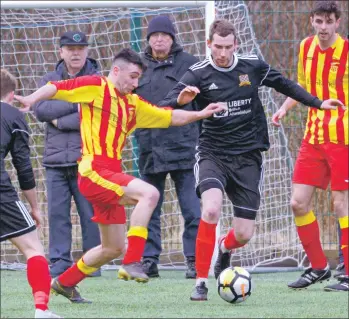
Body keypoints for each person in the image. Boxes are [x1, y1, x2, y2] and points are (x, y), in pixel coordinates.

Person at [14, 48, 227, 304]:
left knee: (111, 247)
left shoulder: (132, 104)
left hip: (110, 172)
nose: (136, 84)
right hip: (93, 170)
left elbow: (170, 116)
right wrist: (31, 98)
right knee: (150, 193)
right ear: (116, 71)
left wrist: (201, 114)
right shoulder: (96, 86)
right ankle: (133, 261)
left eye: (139, 79)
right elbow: (56, 87)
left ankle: (64, 282)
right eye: (133, 77)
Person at [159, 19, 345, 301]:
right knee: (210, 210)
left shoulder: (252, 66)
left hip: (247, 158)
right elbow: (166, 105)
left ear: (236, 45)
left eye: (227, 47)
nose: (222, 53)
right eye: (217, 47)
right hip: (213, 154)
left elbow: (285, 85)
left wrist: (318, 103)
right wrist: (182, 101)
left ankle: (224, 247)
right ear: (209, 44)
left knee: (244, 234)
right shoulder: (197, 73)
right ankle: (200, 282)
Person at [272, 1, 348, 292]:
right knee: (298, 202)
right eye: (319, 21)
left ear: (338, 23)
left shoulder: (347, 51)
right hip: (313, 136)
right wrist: (284, 108)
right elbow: (303, 88)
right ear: (312, 21)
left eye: (329, 21)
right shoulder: (306, 47)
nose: (324, 27)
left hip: (343, 138)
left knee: (341, 204)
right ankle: (318, 266)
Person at [134, 15, 201, 279]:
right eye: (154, 35)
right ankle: (149, 260)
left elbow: (202, 104)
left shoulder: (191, 64)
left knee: (192, 209)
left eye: (164, 35)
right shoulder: (137, 66)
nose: (159, 39)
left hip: (185, 148)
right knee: (149, 207)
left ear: (173, 38)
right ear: (148, 39)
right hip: (149, 148)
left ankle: (195, 260)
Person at [32, 31, 101, 279]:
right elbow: (40, 109)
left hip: (87, 161)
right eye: (70, 48)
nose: (75, 52)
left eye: (80, 48)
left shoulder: (96, 79)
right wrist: (76, 102)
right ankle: (60, 261)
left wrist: (59, 117)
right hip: (55, 162)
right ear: (61, 52)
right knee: (57, 214)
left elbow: (95, 110)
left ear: (87, 51)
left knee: (90, 214)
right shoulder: (49, 79)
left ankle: (91, 262)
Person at [0, 69, 61, 318]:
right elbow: (23, 167)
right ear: (13, 95)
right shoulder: (13, 116)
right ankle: (41, 311)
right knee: (33, 248)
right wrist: (34, 207)